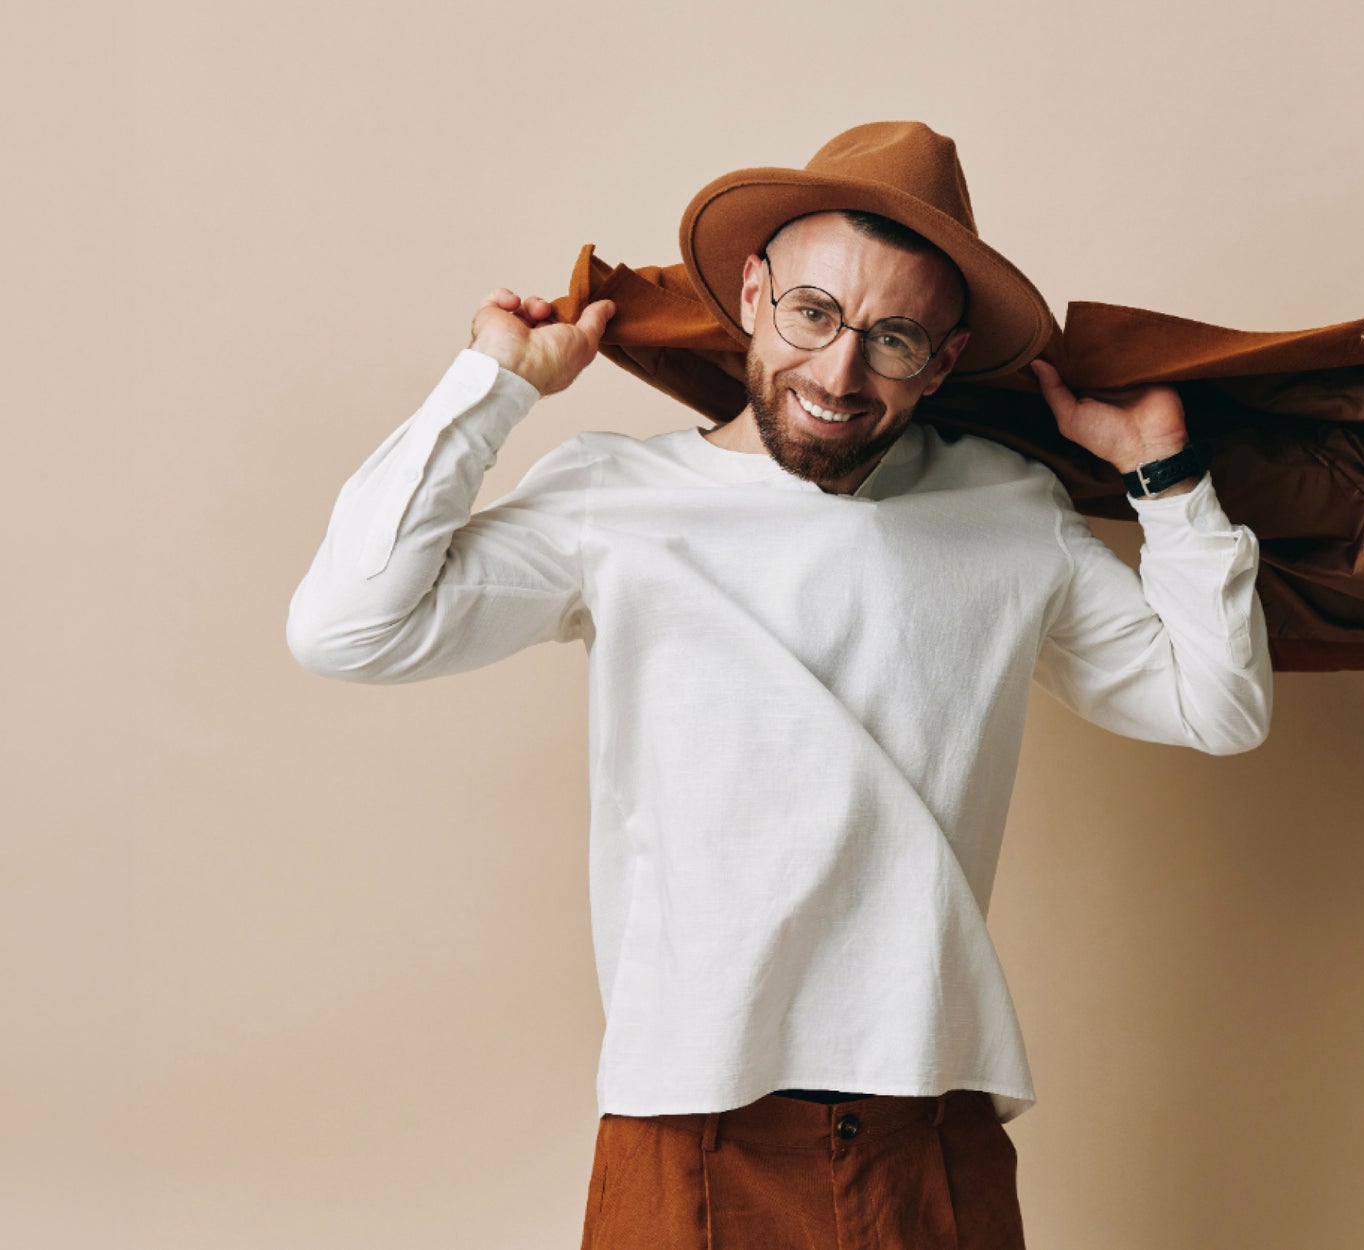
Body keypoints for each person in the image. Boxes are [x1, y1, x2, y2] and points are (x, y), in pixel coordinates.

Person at [284, 122, 1272, 1248]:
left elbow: (1219, 704)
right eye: (813, 312)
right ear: (752, 293)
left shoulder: (1007, 510)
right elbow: (347, 626)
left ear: (944, 360)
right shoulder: (617, 498)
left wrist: (1167, 476)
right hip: (691, 1120)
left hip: (926, 1127)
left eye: (894, 338)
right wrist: (493, 386)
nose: (840, 372)